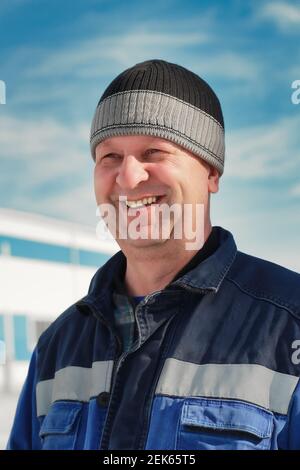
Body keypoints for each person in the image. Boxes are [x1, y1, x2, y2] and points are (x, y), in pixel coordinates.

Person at [7, 59, 300, 450]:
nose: (128, 177)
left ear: (211, 172)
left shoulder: (288, 324)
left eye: (154, 151)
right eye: (109, 156)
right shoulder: (58, 346)